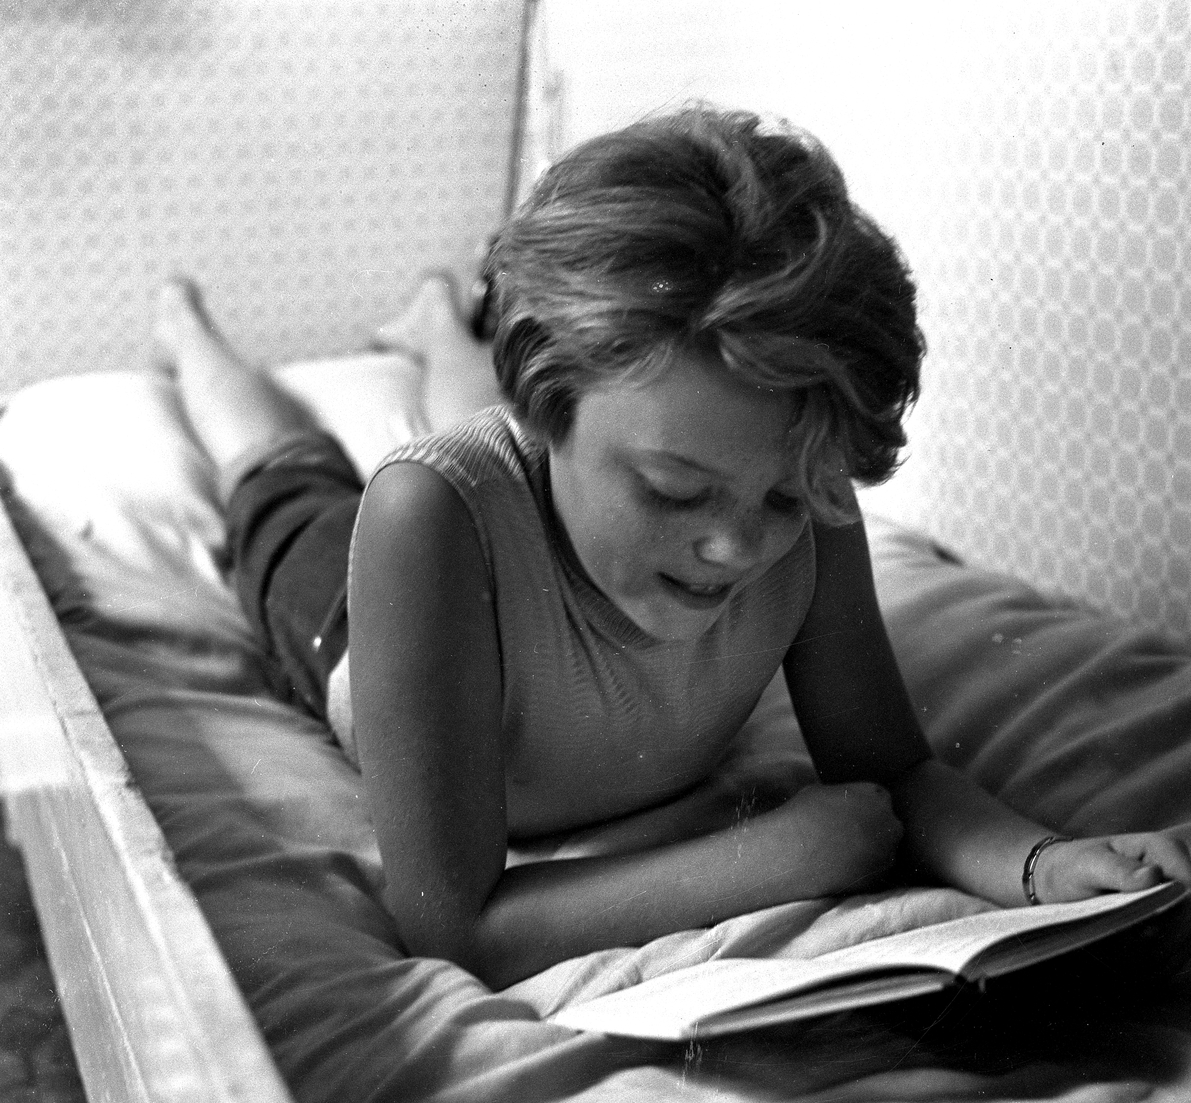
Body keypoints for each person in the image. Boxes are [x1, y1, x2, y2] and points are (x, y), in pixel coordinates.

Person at [155, 107, 1191, 988]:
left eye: (782, 498)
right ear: (547, 407)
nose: (737, 546)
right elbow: (451, 925)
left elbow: (895, 771)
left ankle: (436, 324)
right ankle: (188, 332)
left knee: (485, 423)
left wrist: (1042, 865)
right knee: (283, 475)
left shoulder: (803, 496)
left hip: (517, 481)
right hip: (358, 617)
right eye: (674, 491)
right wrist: (770, 860)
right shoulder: (424, 516)